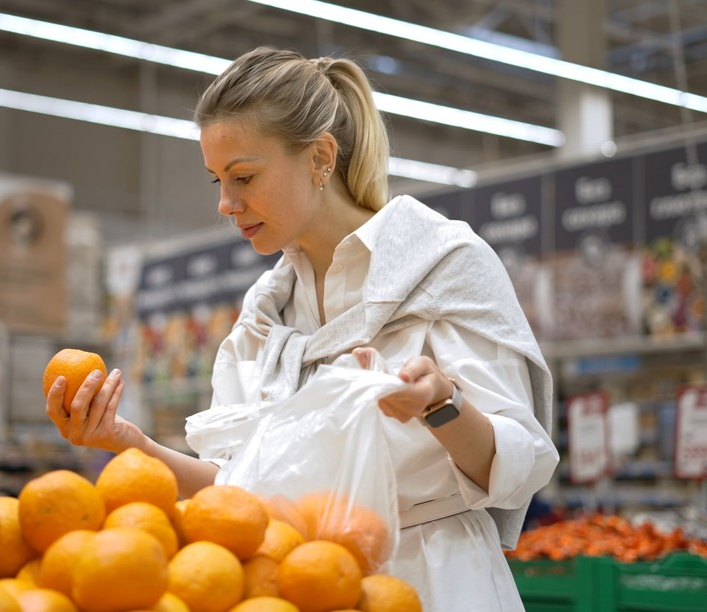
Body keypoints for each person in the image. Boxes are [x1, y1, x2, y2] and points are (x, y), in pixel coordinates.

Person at [46, 46, 559, 611]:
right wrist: (131, 444)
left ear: (320, 157)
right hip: (297, 585)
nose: (225, 203)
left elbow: (520, 462)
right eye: (216, 179)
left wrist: (443, 403)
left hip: (432, 581)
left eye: (243, 176)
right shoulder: (264, 315)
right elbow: (236, 486)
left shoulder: (443, 265)